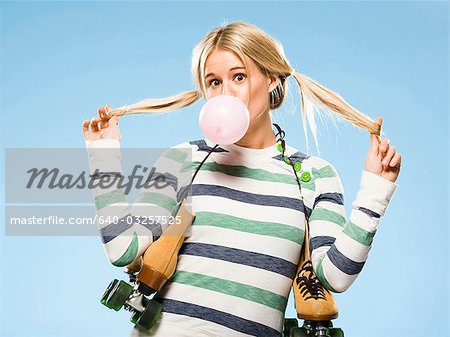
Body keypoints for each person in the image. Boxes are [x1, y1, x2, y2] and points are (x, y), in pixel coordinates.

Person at [82, 21, 401, 337]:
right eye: (214, 82)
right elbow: (123, 250)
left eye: (239, 77)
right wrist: (103, 156)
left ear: (271, 78)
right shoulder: (184, 160)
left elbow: (335, 276)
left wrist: (376, 192)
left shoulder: (314, 176)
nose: (226, 94)